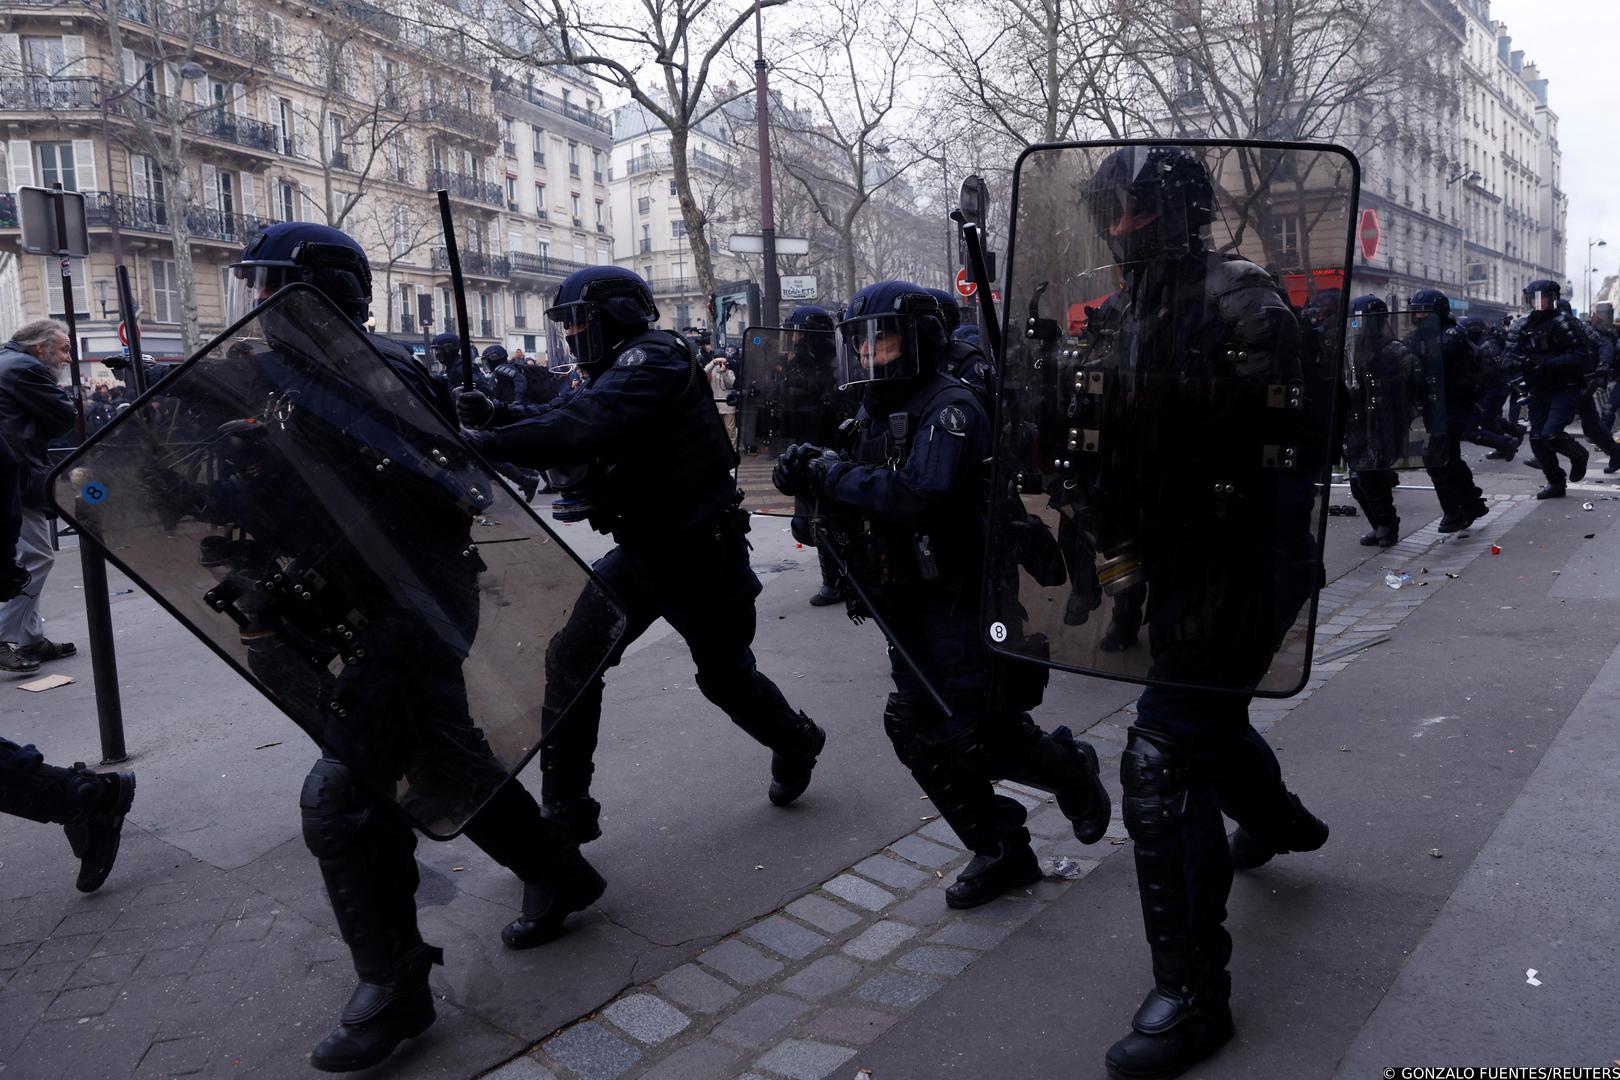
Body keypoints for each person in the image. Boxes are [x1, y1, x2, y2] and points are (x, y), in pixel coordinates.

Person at [223, 222, 586, 1071]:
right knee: (444, 762)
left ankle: (396, 986)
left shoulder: (379, 373)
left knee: (343, 797)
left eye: (274, 285)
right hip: (348, 608)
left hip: (414, 605)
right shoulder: (279, 378)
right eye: (258, 286)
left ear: (320, 292)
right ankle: (559, 872)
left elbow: (441, 490)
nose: (262, 302)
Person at [1061, 147, 1329, 1079]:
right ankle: (1284, 821)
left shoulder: (1242, 300)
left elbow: (1289, 444)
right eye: (1109, 211)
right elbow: (1101, 435)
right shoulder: (1125, 314)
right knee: (1207, 724)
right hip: (1180, 560)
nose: (1119, 227)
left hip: (1246, 559)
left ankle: (1194, 997)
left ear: (1177, 210)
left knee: (1165, 749)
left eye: (1135, 209)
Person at [455, 265, 826, 928]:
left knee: (725, 679)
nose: (570, 333)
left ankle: (794, 738)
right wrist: (499, 415)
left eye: (578, 320)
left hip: (701, 557)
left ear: (617, 315)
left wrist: (484, 440)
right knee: (572, 662)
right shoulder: (614, 369)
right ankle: (560, 833)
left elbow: (589, 424)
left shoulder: (655, 357)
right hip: (642, 552)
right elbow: (567, 416)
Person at [772, 281, 1111, 909]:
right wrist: (806, 482)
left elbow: (919, 496)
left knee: (975, 733)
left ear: (920, 339)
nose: (871, 354)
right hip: (901, 595)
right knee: (916, 726)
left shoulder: (951, 407)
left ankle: (1069, 767)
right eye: (861, 343)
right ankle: (1001, 848)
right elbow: (837, 502)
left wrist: (831, 474)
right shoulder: (869, 410)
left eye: (885, 337)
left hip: (965, 593)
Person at [0, 319, 79, 666]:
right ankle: (4, 635)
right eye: (63, 349)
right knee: (36, 557)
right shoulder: (25, 368)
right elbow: (64, 416)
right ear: (40, 348)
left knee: (28, 556)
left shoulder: (8, 359)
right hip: (13, 472)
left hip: (15, 469)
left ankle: (29, 638)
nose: (68, 358)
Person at [1505, 279, 1608, 498]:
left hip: (1565, 387)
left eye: (1542, 297)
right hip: (1537, 388)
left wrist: (1548, 363)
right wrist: (1514, 365)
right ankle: (1556, 482)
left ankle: (1579, 455)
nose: (1538, 302)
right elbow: (1509, 354)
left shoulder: (1564, 323)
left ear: (1552, 299)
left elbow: (1581, 356)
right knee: (1536, 438)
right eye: (1534, 298)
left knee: (1551, 434)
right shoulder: (1523, 325)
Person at [777, 305, 847, 608]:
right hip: (804, 446)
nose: (794, 340)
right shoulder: (797, 366)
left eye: (799, 334)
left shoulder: (837, 364)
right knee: (806, 524)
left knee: (826, 519)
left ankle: (835, 580)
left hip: (832, 447)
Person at [1403, 289, 1489, 533]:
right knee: (1447, 458)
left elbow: (1444, 368)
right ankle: (1471, 503)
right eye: (1415, 312)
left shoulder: (1450, 337)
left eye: (1422, 312)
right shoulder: (1418, 337)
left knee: (1438, 457)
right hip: (1433, 406)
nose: (1417, 317)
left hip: (1453, 405)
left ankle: (1456, 511)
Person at [1342, 296, 1412, 547]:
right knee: (1358, 480)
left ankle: (1387, 525)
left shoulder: (1395, 350)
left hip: (1384, 420)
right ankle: (1378, 524)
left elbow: (1413, 384)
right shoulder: (1352, 349)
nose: (1361, 326)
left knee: (1372, 476)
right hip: (1358, 419)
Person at [1460, 316, 1524, 460]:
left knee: (1486, 419)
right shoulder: (1485, 342)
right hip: (1495, 387)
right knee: (1490, 417)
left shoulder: (1487, 346)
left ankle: (1506, 444)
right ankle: (1513, 433)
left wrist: (1476, 390)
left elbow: (1487, 372)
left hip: (1494, 388)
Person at [704, 349, 737, 445]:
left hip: (728, 406)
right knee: (716, 430)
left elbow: (731, 384)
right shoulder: (711, 371)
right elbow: (704, 371)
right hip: (715, 405)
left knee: (730, 430)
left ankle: (733, 450)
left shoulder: (729, 371)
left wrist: (724, 371)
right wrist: (713, 362)